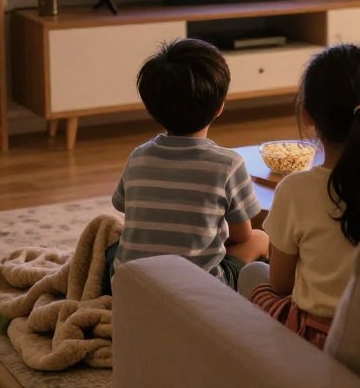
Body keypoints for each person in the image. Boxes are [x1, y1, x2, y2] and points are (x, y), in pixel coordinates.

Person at [238, 44, 360, 348]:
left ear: (307, 115)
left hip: (322, 339)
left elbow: (281, 284)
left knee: (252, 275)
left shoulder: (294, 189)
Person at [104, 39, 268, 295]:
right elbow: (241, 236)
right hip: (198, 296)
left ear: (151, 108)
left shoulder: (138, 157)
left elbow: (125, 209)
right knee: (260, 239)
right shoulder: (228, 164)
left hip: (132, 289)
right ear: (220, 107)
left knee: (114, 249)